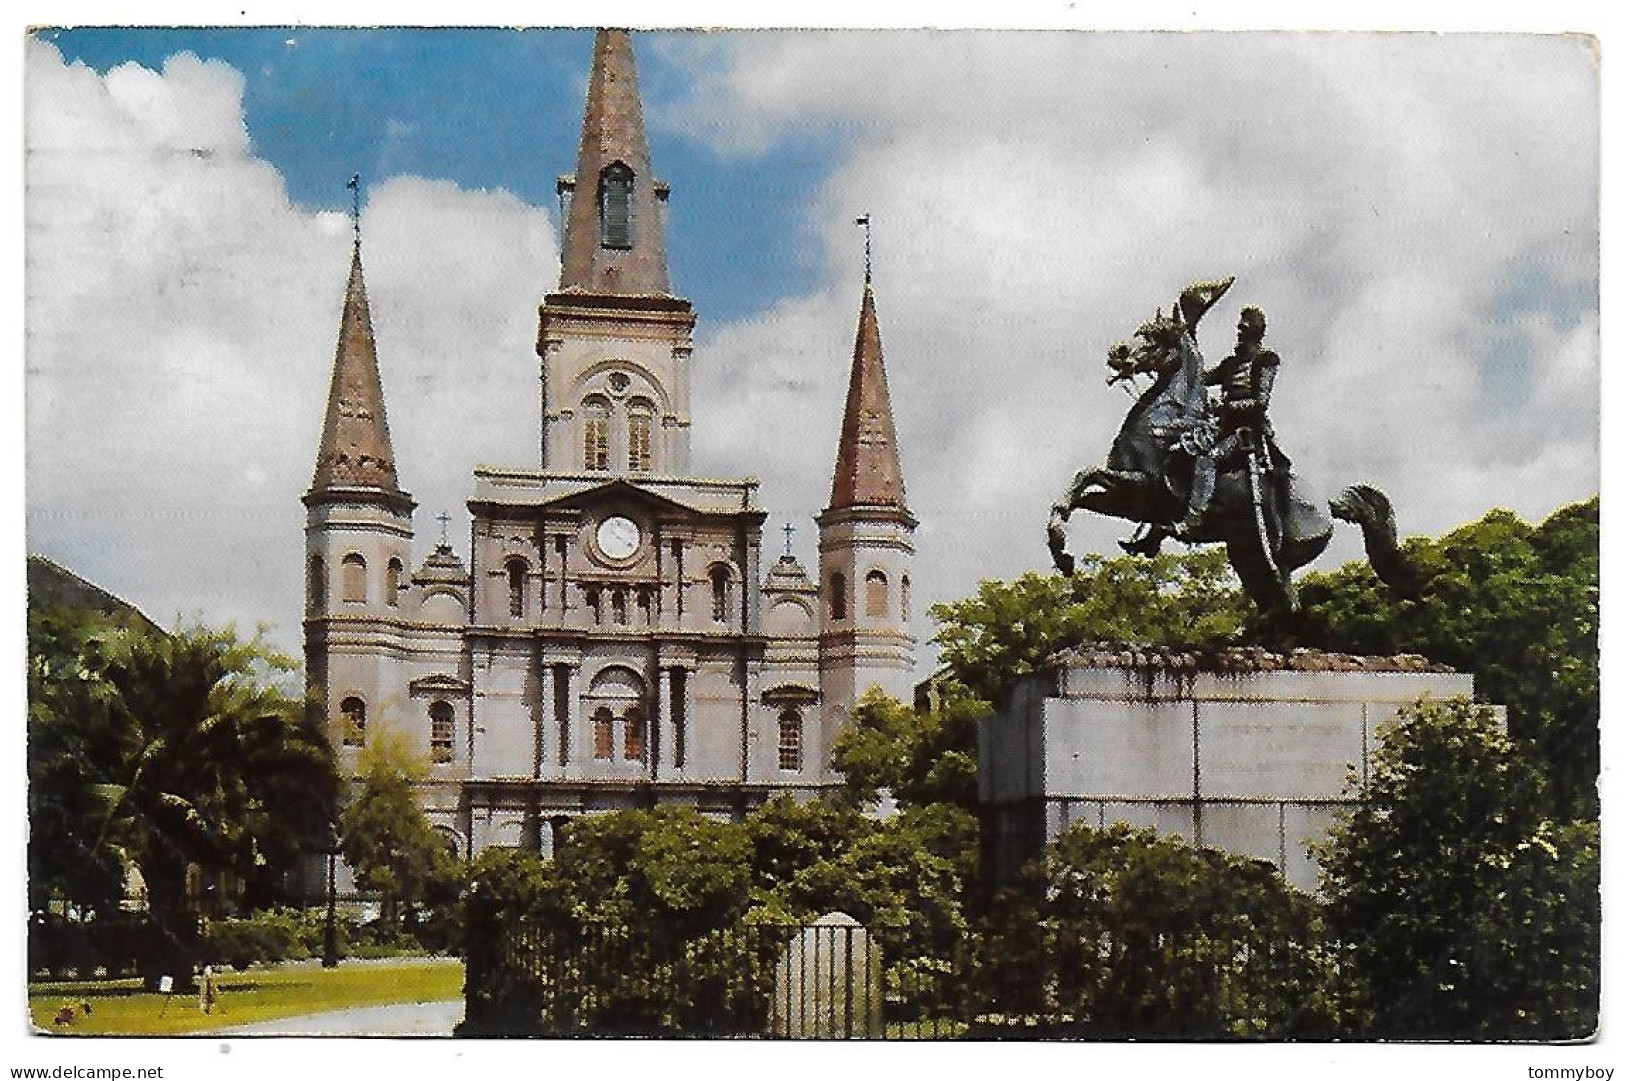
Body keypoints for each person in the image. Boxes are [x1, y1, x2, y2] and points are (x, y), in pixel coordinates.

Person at [1175, 306, 1286, 537]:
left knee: (1208, 459)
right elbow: (1200, 379)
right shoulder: (1229, 364)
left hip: (1246, 432)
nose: (1239, 329)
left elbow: (1260, 401)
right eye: (1239, 325)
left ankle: (1194, 518)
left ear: (1256, 331)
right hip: (1221, 427)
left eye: (1245, 326)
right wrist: (1184, 351)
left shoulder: (1266, 360)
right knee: (1180, 447)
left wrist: (1227, 406)